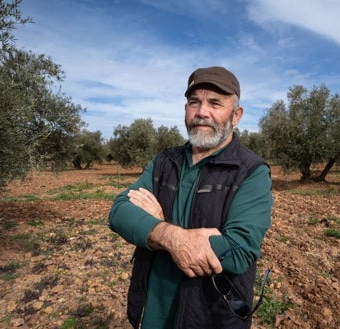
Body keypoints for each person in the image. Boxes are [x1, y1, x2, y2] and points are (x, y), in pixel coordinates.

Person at [108, 66, 272, 329]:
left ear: (236, 115)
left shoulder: (250, 171)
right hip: (154, 313)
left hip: (209, 316)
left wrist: (155, 225)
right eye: (194, 102)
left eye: (215, 103)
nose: (202, 112)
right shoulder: (164, 161)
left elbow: (239, 250)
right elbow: (119, 212)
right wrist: (170, 236)